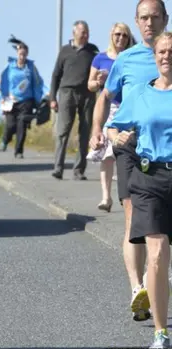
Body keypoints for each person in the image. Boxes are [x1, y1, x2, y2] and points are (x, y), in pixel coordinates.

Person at [90, 0, 168, 323]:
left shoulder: (169, 52)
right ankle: (138, 289)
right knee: (132, 215)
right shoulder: (126, 60)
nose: (149, 23)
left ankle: (157, 275)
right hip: (130, 143)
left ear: (165, 18)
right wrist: (98, 129)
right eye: (144, 18)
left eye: (155, 17)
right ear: (136, 21)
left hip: (165, 145)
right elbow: (105, 97)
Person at [104, 31, 172, 349]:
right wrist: (116, 136)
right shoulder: (141, 94)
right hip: (149, 179)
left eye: (171, 51)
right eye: (161, 51)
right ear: (154, 56)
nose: (166, 56)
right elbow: (114, 125)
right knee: (157, 254)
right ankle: (161, 330)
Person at [86, 22, 135, 212]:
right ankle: (106, 197)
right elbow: (90, 84)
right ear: (111, 35)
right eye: (117, 35)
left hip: (129, 108)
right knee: (108, 155)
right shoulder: (100, 58)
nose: (120, 38)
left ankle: (128, 195)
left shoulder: (131, 57)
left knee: (126, 152)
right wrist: (97, 81)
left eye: (124, 35)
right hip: (109, 107)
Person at [49, 20, 100, 180]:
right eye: (82, 32)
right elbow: (56, 75)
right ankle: (58, 168)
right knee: (62, 132)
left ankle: (79, 170)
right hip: (67, 93)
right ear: (74, 33)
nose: (85, 35)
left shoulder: (93, 51)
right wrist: (52, 98)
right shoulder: (65, 51)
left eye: (87, 32)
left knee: (85, 132)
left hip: (87, 94)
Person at [0, 40, 46, 159]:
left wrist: (42, 96)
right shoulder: (10, 66)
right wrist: (2, 97)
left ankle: (19, 151)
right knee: (11, 125)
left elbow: (38, 82)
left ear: (27, 54)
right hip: (11, 101)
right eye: (20, 54)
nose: (22, 57)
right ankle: (5, 139)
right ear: (17, 54)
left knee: (22, 126)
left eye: (24, 54)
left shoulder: (30, 67)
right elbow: (2, 82)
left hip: (26, 101)